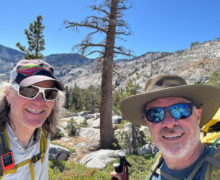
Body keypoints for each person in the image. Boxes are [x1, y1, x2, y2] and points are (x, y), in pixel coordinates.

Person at [111, 74, 220, 180]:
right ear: (148, 123)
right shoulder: (159, 160)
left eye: (180, 110)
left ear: (197, 116)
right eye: (155, 114)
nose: (169, 123)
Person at [0, 59, 65, 180]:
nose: (39, 102)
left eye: (49, 93)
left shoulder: (43, 138)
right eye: (29, 90)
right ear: (9, 94)